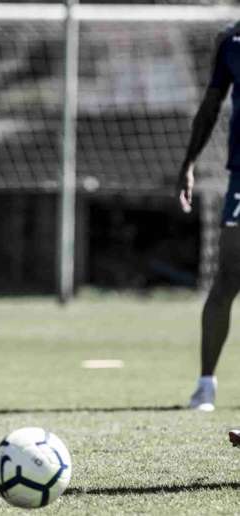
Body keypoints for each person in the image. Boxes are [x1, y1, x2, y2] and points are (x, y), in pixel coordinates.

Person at [178, 22, 240, 412]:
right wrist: (189, 161)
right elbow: (212, 103)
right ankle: (205, 386)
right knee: (229, 276)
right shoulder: (231, 41)